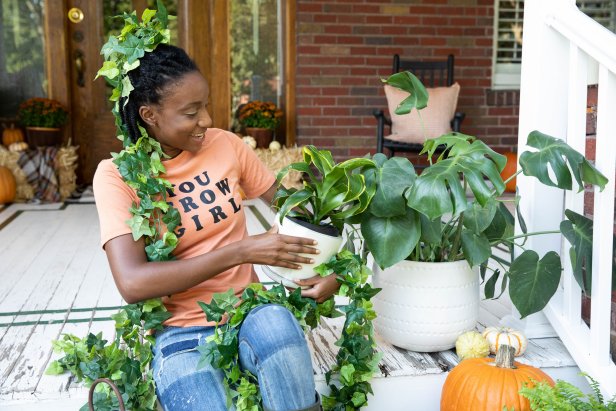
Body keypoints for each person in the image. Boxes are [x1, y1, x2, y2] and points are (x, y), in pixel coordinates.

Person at [93, 43, 339, 411]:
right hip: (180, 332)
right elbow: (132, 282)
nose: (206, 119)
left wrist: (330, 270)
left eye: (205, 105)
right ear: (149, 115)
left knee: (286, 351)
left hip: (250, 310)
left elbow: (299, 214)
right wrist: (241, 251)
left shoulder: (227, 145)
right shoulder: (116, 177)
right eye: (191, 112)